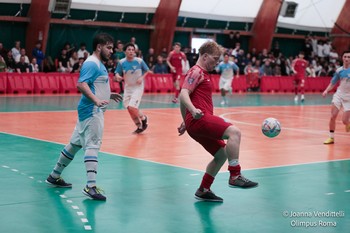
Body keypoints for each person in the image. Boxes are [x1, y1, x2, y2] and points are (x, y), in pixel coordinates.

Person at [45, 33, 123, 201]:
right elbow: (81, 84)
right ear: (99, 47)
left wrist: (108, 94)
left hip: (88, 110)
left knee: (74, 144)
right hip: (92, 111)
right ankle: (91, 186)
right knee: (93, 145)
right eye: (108, 47)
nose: (111, 51)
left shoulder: (99, 64)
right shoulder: (92, 63)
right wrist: (96, 100)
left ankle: (54, 175)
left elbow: (95, 85)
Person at [178, 41, 258, 202]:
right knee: (234, 132)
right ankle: (235, 175)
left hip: (195, 122)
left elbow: (183, 99)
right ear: (205, 56)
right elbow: (183, 94)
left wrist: (185, 120)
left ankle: (204, 189)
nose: (217, 62)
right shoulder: (196, 72)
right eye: (215, 59)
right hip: (200, 120)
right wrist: (192, 112)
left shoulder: (202, 73)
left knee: (221, 154)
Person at [114, 43, 151, 134]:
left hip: (137, 88)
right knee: (129, 108)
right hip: (127, 88)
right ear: (125, 52)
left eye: (132, 50)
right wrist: (117, 76)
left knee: (132, 107)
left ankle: (143, 118)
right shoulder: (121, 62)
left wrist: (141, 78)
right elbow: (117, 73)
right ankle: (139, 126)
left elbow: (147, 70)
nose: (131, 51)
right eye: (129, 50)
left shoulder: (139, 61)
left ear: (135, 52)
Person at [322, 50, 350, 144]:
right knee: (333, 116)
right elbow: (333, 83)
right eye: (345, 56)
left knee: (345, 121)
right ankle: (331, 138)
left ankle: (348, 123)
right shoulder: (339, 70)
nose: (346, 59)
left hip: (349, 98)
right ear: (342, 58)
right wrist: (326, 90)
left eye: (349, 57)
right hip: (339, 95)